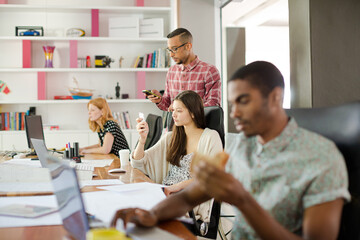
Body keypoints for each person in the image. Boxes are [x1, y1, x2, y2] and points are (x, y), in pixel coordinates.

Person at [111, 61, 351, 240]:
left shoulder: (321, 157)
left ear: (276, 98)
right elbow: (189, 196)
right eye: (232, 103)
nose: (234, 113)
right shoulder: (245, 147)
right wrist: (153, 214)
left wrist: (243, 201)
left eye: (243, 101)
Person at [131, 90, 222, 222]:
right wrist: (142, 139)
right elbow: (139, 162)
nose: (173, 114)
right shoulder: (171, 137)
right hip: (166, 194)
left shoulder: (210, 137)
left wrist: (174, 188)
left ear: (192, 113)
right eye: (173, 110)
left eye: (179, 111)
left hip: (189, 200)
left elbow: (211, 177)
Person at [146, 28, 221, 112]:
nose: (171, 54)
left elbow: (213, 104)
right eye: (169, 50)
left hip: (198, 125)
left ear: (188, 46)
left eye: (174, 49)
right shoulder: (172, 71)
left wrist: (181, 109)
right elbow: (168, 104)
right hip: (175, 125)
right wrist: (159, 100)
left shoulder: (209, 71)